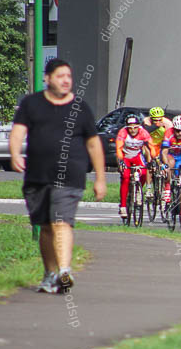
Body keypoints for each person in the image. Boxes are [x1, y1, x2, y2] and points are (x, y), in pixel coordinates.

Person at [9, 58, 107, 293]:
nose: (66, 81)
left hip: (70, 175)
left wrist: (100, 178)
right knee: (45, 226)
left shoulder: (80, 108)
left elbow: (94, 145)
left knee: (61, 222)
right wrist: (14, 154)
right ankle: (50, 273)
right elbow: (18, 132)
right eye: (60, 76)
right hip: (36, 175)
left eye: (69, 77)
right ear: (48, 78)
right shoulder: (31, 104)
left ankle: (64, 271)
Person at [115, 115, 153, 219]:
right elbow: (118, 148)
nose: (132, 130)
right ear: (127, 127)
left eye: (135, 127)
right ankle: (123, 206)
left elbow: (151, 146)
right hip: (125, 156)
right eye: (130, 128)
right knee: (126, 178)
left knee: (144, 173)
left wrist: (151, 160)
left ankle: (138, 190)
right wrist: (121, 162)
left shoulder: (143, 132)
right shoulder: (122, 132)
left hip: (137, 155)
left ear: (139, 127)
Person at [160, 114, 181, 225]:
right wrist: (165, 165)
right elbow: (164, 152)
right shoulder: (168, 133)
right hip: (171, 156)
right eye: (177, 131)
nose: (179, 133)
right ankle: (168, 188)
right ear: (174, 129)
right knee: (170, 165)